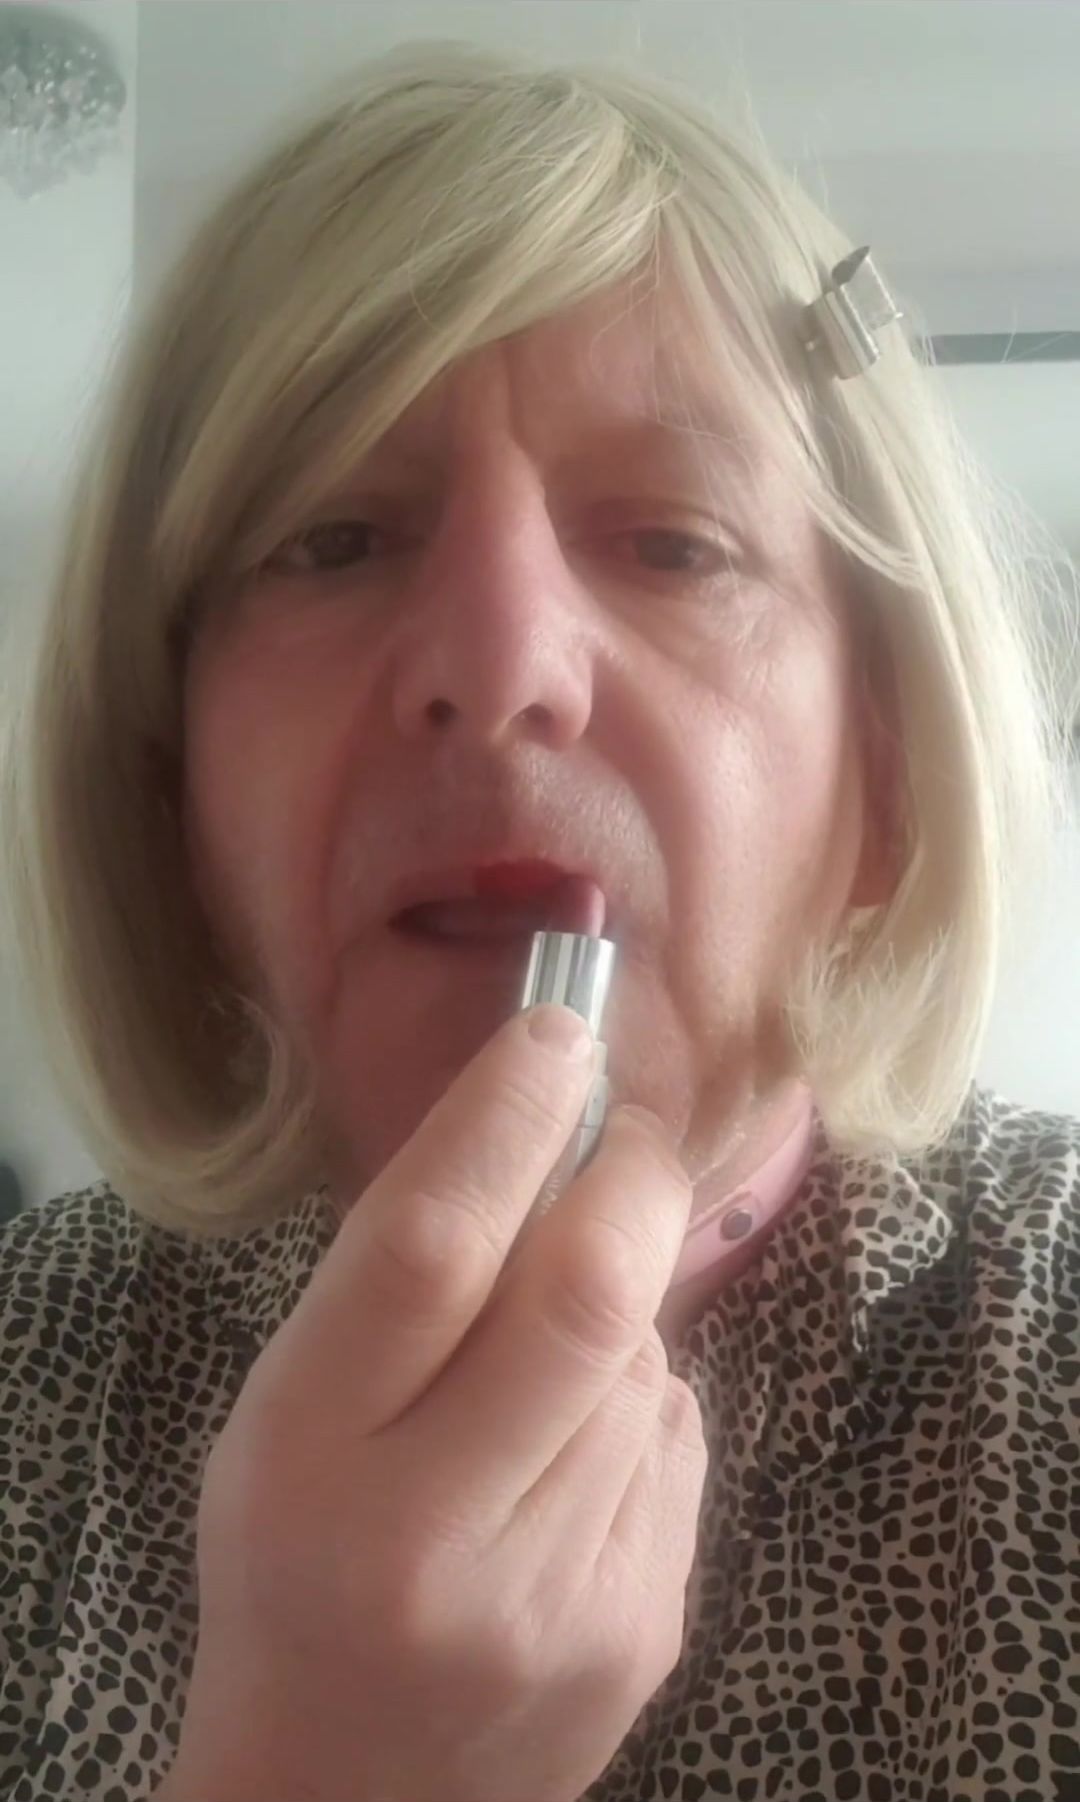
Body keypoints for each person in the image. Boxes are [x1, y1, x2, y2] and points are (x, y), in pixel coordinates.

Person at [0, 37, 1077, 1802]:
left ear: (884, 773)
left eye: (676, 544)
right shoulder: (30, 1377)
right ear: (167, 790)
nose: (502, 667)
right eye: (332, 538)